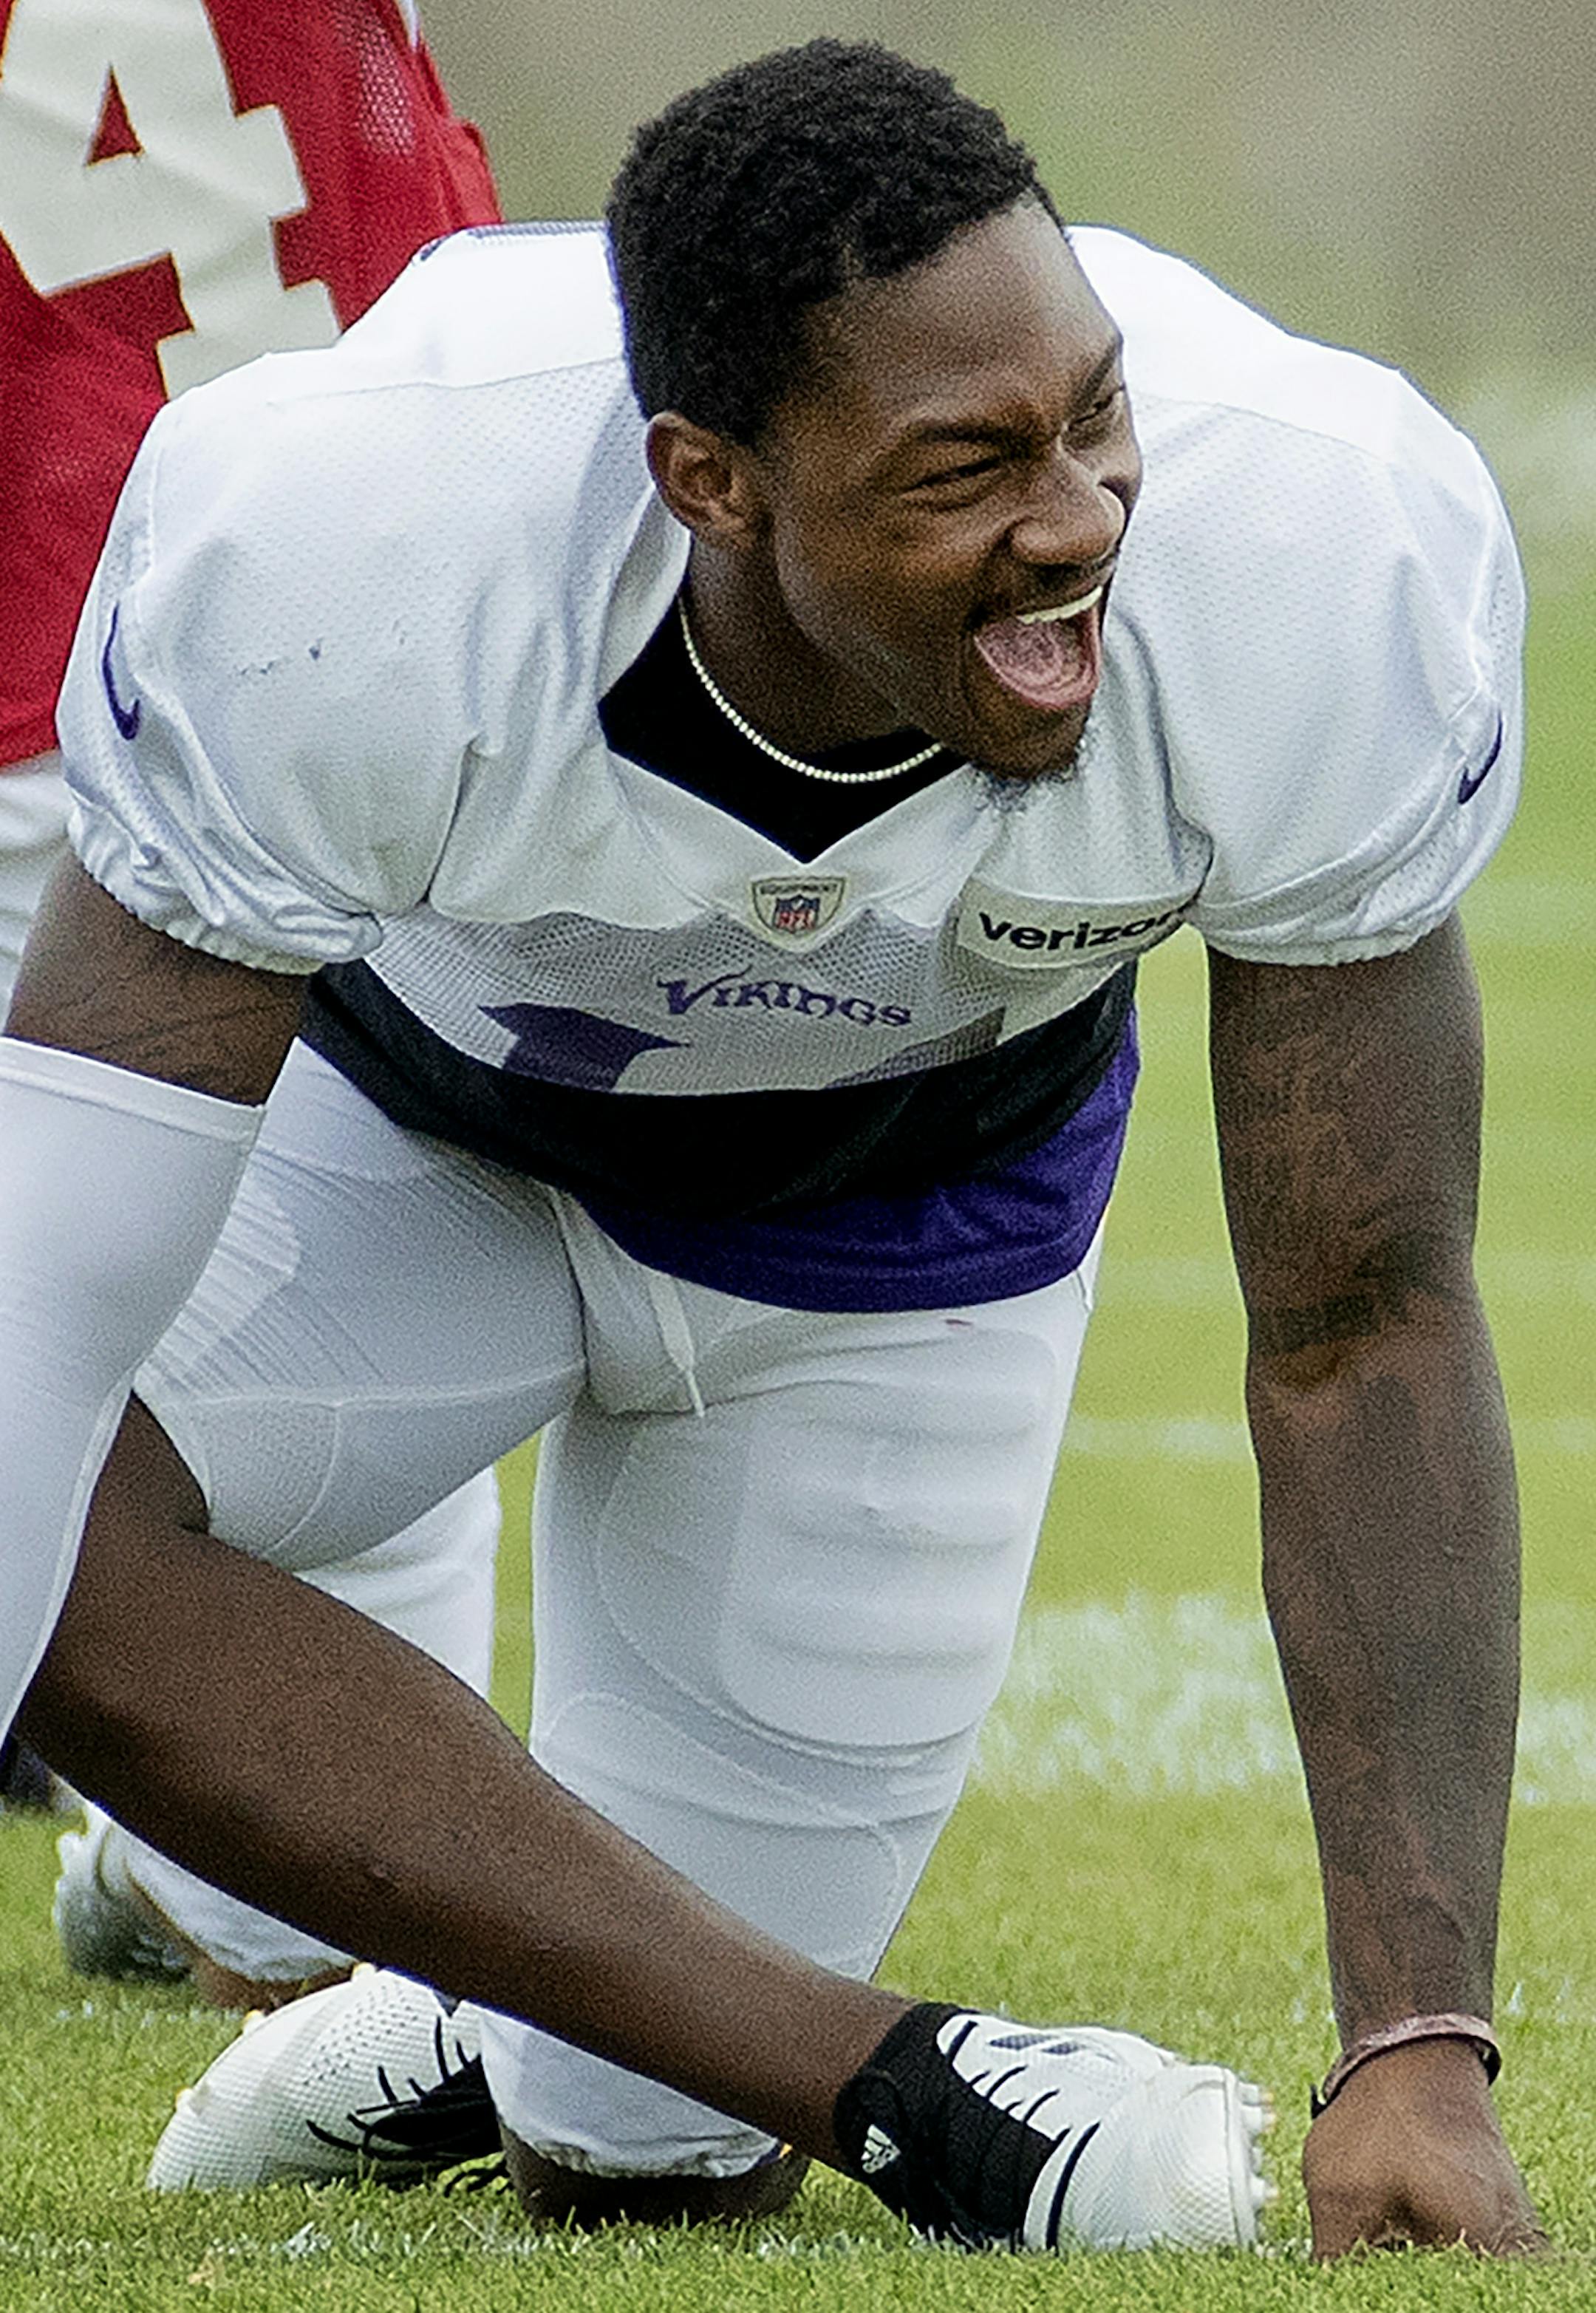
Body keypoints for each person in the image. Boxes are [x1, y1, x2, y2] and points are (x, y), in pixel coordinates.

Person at [0, 36, 1544, 2258]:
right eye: (967, 467)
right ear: (707, 481)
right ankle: (728, 2018)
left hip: (897, 1233)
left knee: (646, 2163)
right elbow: (38, 1328)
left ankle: (481, 2003)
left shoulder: (1313, 538)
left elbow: (1363, 1315)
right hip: (400, 1144)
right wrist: (897, 2087)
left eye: (1097, 418)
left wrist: (1419, 2038)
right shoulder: (350, 526)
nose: (1085, 520)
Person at [0, 0, 507, 2005]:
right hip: (348, 642)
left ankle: (259, 1887)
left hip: (68, 625)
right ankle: (249, 1879)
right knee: (326, 1261)